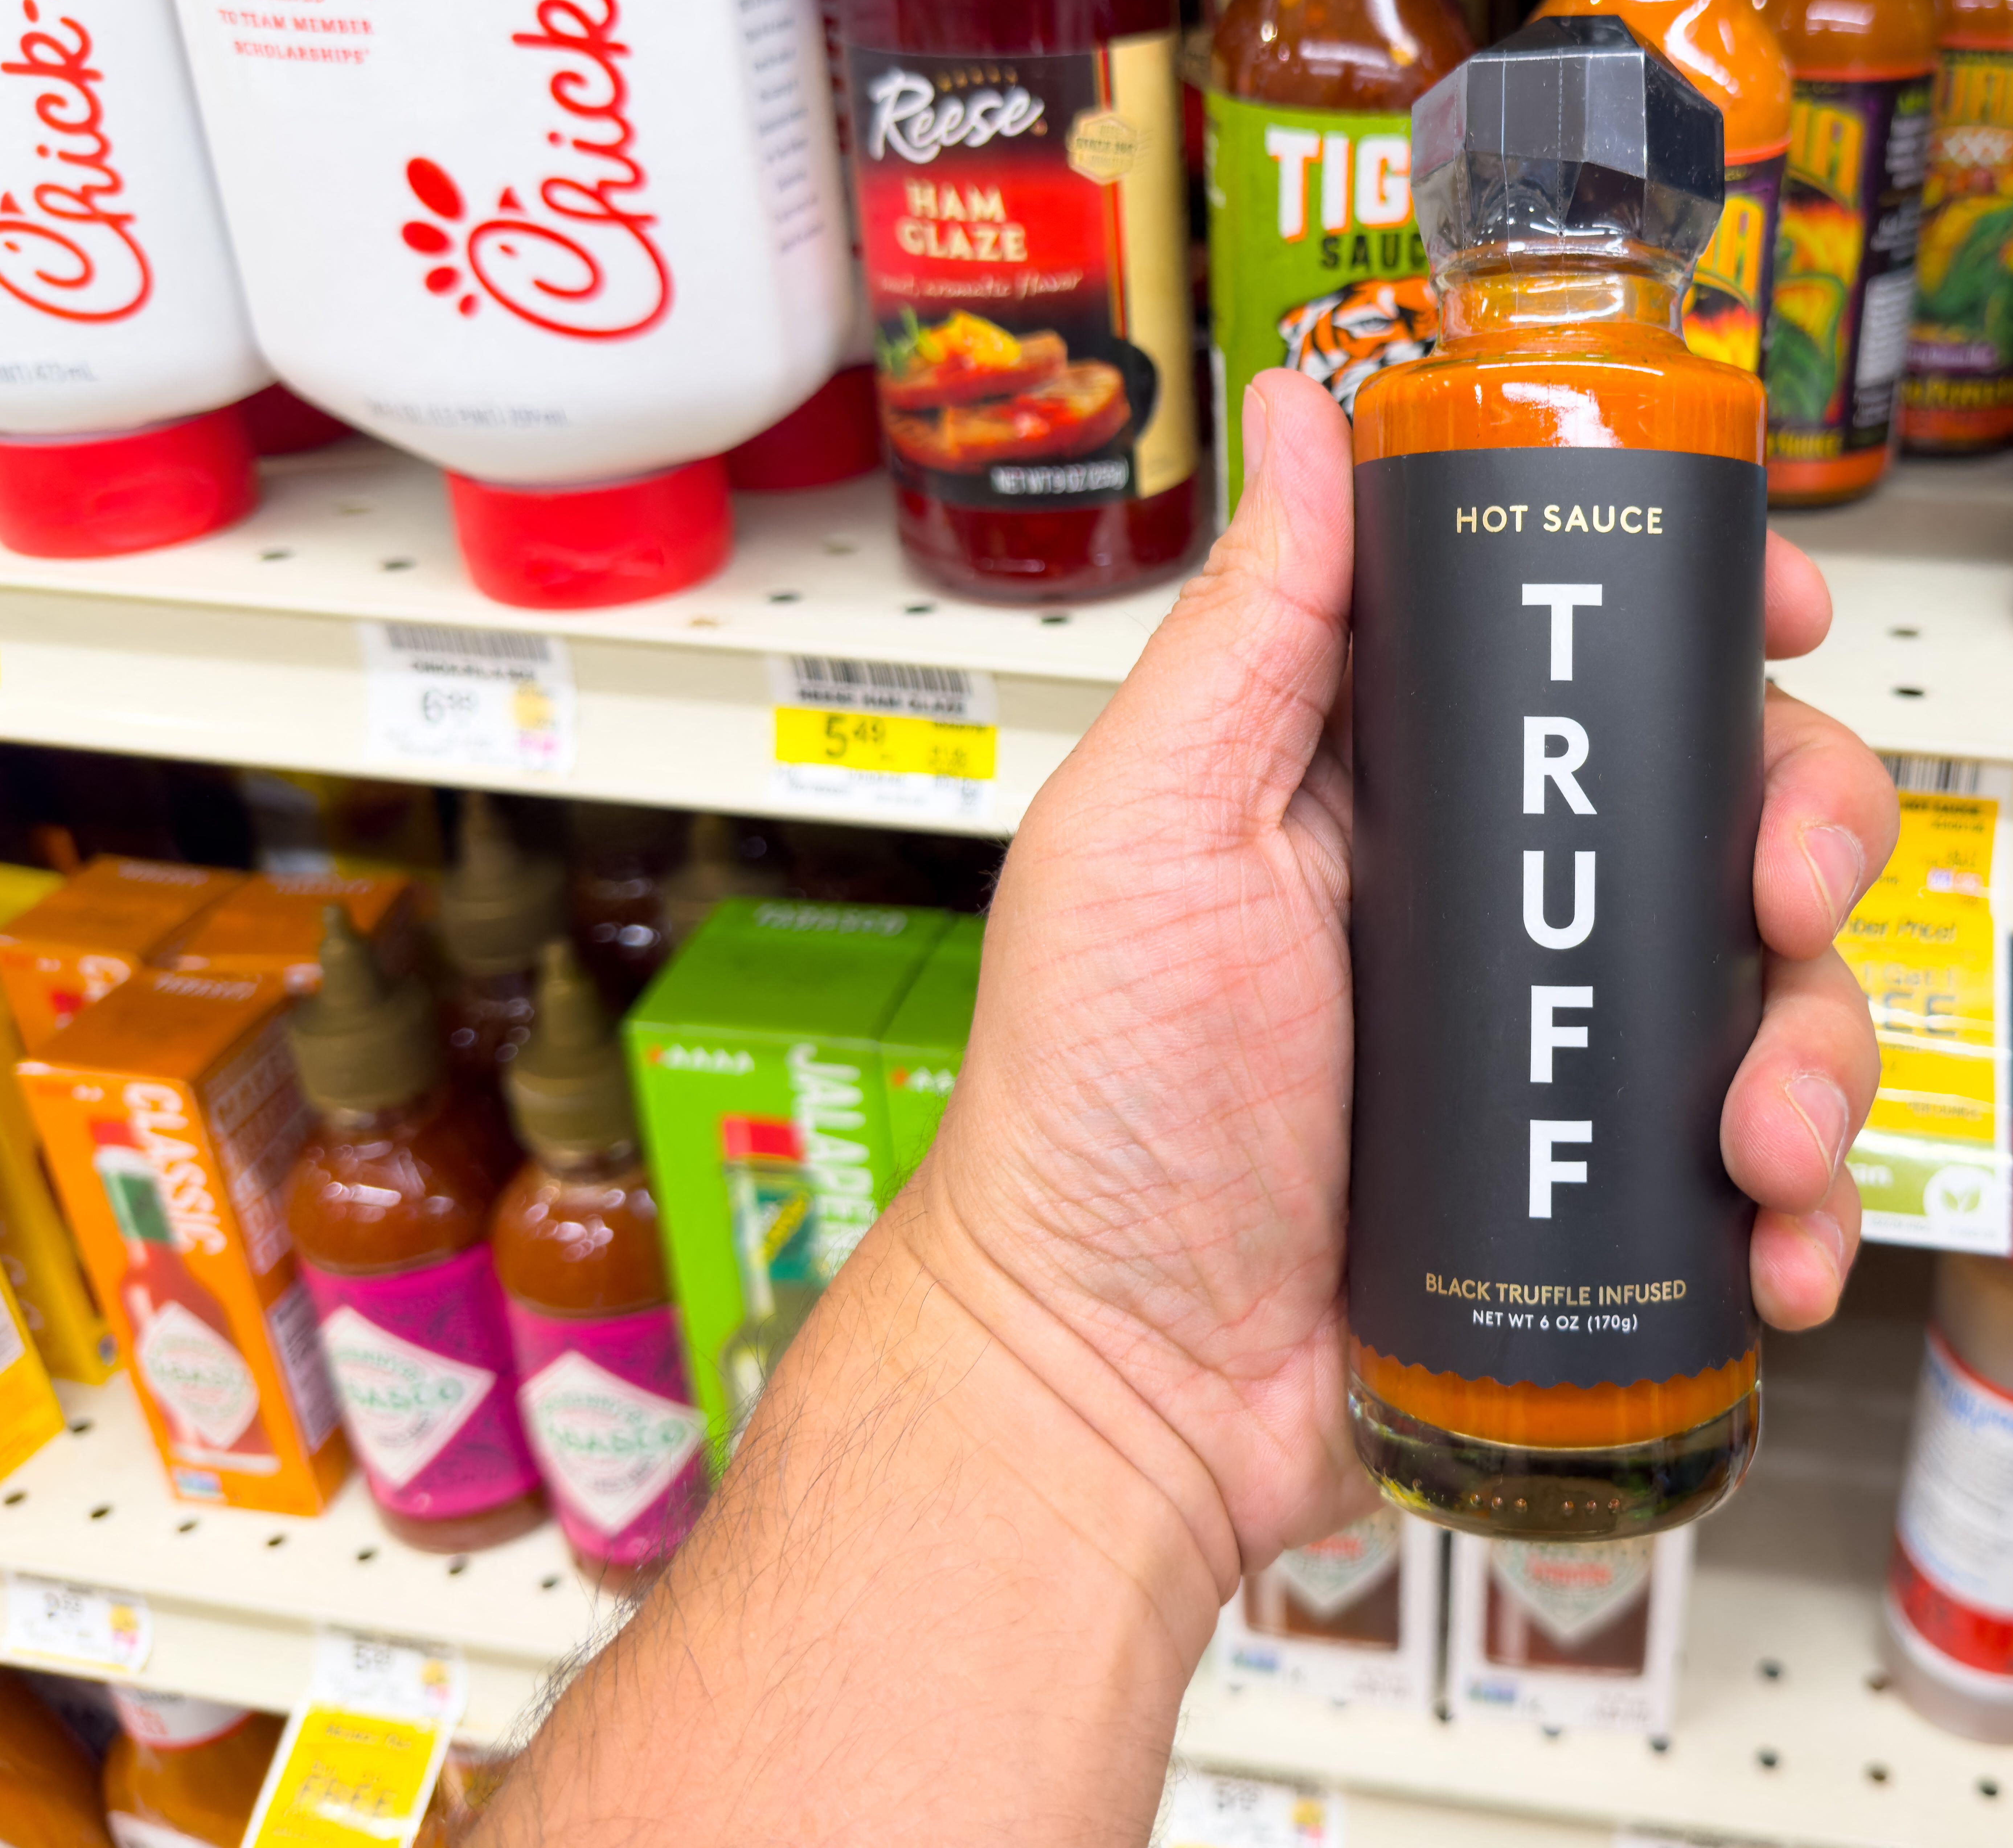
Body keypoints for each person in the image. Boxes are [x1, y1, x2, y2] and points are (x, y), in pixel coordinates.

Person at [476, 370, 1897, 1843]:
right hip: (1332, 1339)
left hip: (1600, 1361)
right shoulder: (1468, 423)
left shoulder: (1660, 421)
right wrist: (1068, 1350)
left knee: (1732, 889)